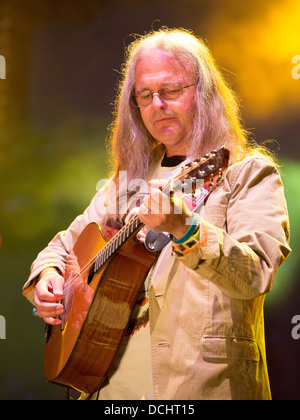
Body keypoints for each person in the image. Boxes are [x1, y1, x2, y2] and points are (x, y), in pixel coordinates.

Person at [23, 28, 291, 400]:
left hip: (200, 387)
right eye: (145, 95)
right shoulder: (126, 182)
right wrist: (47, 278)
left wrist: (186, 229)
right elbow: (61, 248)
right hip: (107, 387)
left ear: (205, 91)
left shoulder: (246, 173)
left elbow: (256, 275)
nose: (157, 104)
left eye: (171, 90)